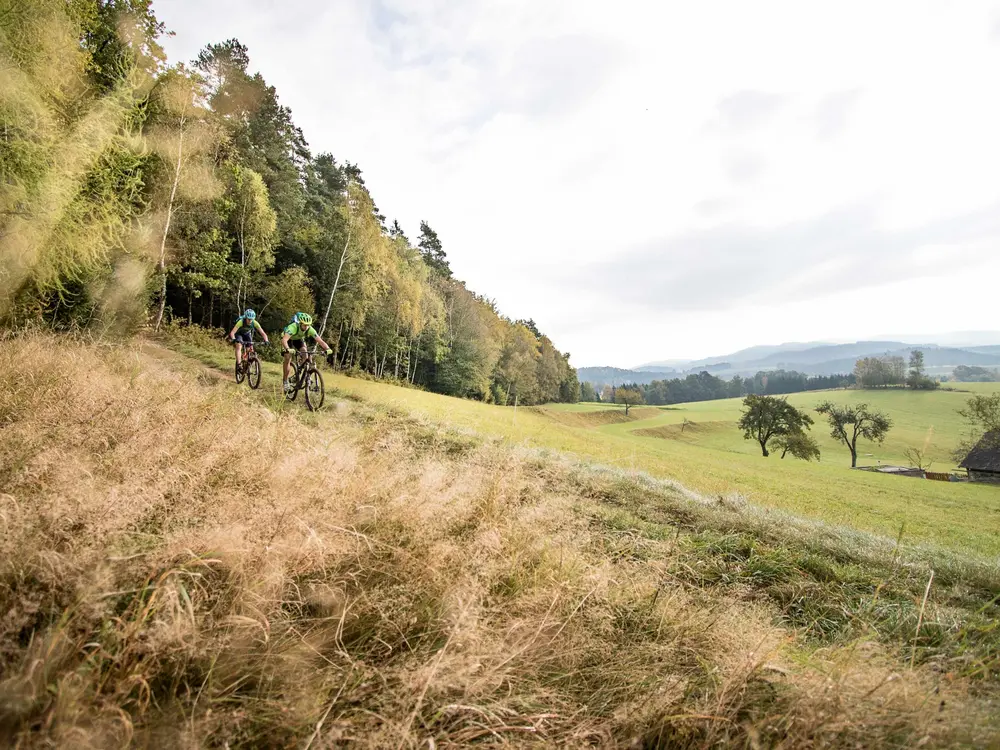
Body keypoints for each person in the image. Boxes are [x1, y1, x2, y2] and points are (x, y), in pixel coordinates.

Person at [281, 312, 333, 392]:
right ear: (300, 323)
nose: (306, 327)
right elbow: (284, 340)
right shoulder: (293, 327)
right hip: (288, 339)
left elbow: (320, 341)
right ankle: (285, 381)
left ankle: (300, 374)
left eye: (308, 325)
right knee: (288, 357)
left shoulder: (309, 329)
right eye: (305, 325)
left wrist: (327, 348)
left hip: (298, 339)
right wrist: (288, 349)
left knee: (305, 353)